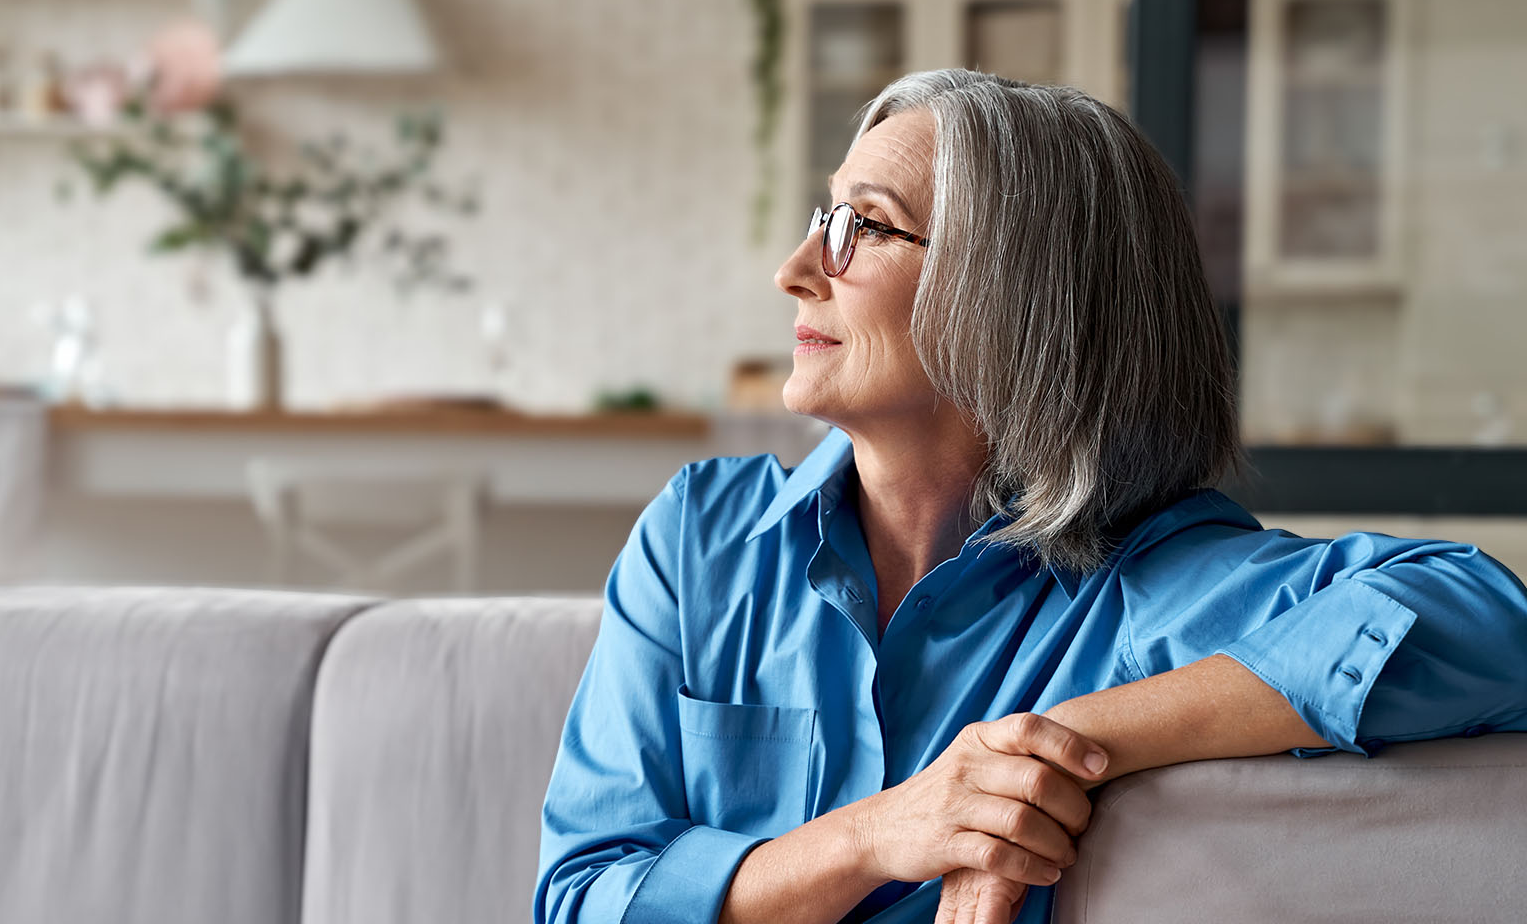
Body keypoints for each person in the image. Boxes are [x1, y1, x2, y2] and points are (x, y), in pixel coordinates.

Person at [531, 69, 1527, 924]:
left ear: (1019, 299)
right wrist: (885, 833)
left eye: (862, 227)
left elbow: (1487, 620)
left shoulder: (1148, 593)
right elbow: (580, 894)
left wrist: (1065, 742)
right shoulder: (704, 541)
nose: (797, 272)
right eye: (817, 220)